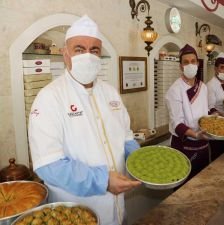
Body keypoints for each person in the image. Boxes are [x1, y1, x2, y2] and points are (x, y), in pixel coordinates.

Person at [28, 15, 141, 225]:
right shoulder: (49, 98)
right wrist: (103, 180)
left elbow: (126, 138)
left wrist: (140, 161)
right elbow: (49, 165)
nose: (87, 56)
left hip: (118, 211)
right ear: (65, 54)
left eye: (94, 50)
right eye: (79, 49)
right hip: (78, 214)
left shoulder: (111, 94)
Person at [165, 44, 210, 180]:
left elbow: (206, 112)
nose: (190, 65)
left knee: (202, 183)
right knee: (182, 187)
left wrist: (219, 117)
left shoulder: (203, 87)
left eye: (193, 61)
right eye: (186, 62)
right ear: (180, 66)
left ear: (198, 63)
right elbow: (177, 123)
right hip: (184, 145)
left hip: (203, 143)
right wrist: (195, 134)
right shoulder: (175, 90)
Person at [206, 52, 224, 160]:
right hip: (217, 127)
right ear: (215, 69)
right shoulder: (210, 85)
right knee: (218, 157)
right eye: (222, 68)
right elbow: (210, 107)